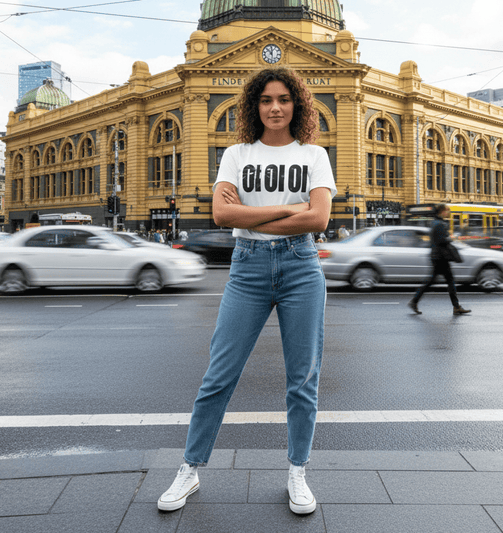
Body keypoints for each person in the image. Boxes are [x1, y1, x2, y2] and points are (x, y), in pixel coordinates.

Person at [157, 66, 336, 516]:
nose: (275, 107)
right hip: (248, 268)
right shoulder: (236, 154)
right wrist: (290, 207)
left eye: (284, 99)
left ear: (297, 105)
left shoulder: (314, 155)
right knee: (219, 375)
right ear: (254, 106)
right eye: (266, 100)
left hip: (300, 265)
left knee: (303, 380)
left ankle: (297, 470)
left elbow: (318, 221)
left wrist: (253, 214)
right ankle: (190, 468)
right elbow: (221, 214)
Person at [408, 203, 471, 315]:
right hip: (441, 257)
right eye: (447, 210)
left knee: (432, 281)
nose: (448, 212)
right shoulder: (440, 224)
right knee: (447, 281)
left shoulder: (434, 222)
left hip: (437, 256)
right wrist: (450, 238)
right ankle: (456, 307)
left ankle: (415, 301)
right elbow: (441, 240)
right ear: (442, 211)